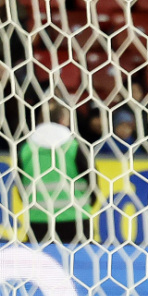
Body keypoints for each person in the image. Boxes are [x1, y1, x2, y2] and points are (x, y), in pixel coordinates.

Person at [18, 101, 94, 244]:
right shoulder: (74, 147)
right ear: (62, 120)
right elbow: (93, 181)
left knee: (42, 258)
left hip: (38, 219)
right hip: (75, 218)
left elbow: (19, 183)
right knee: (79, 258)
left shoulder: (25, 149)